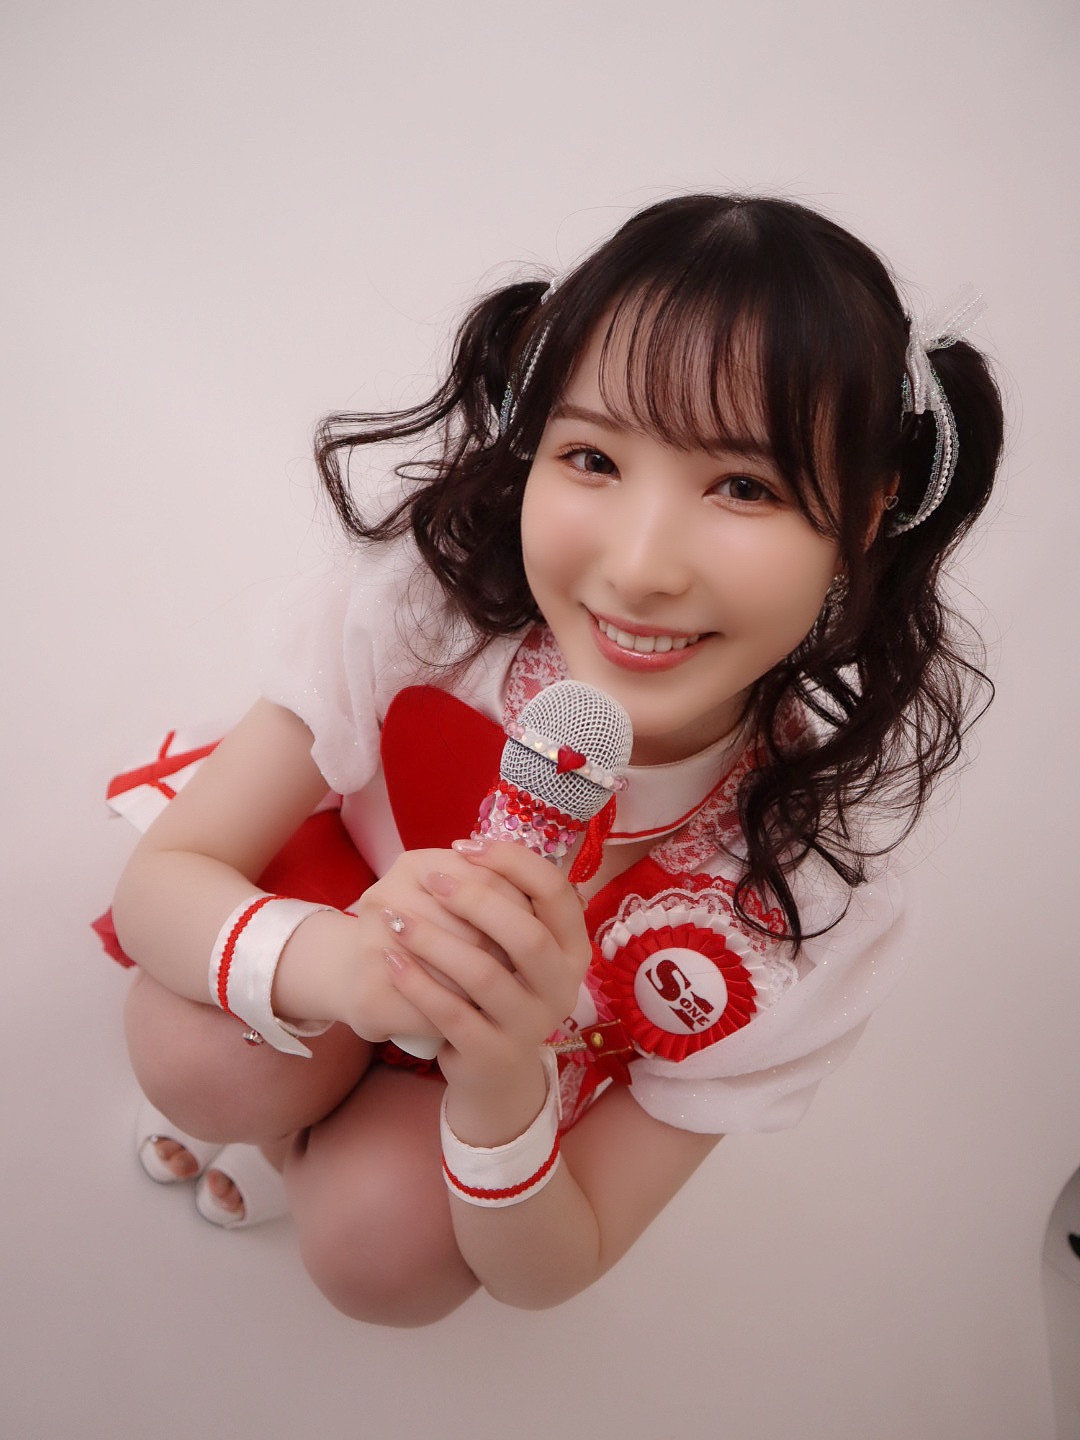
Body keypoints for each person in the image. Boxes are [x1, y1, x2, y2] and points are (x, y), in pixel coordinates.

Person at [106, 193, 1004, 1326]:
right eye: (593, 457)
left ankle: (311, 1145)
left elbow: (553, 1267)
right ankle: (281, 1106)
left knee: (386, 1256)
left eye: (745, 486)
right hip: (339, 912)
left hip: (514, 1073)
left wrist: (497, 1073)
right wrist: (347, 971)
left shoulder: (809, 899)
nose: (640, 568)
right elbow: (161, 885)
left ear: (868, 516)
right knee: (207, 1057)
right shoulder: (427, 620)